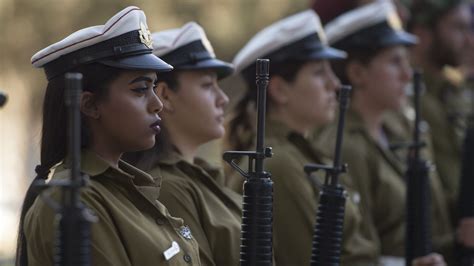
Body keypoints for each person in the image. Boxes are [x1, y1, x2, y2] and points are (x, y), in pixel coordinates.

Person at [15, 7, 201, 266]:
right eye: (140, 90)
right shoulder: (75, 200)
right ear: (90, 105)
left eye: (154, 87)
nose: (157, 104)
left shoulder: (126, 190)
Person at [226, 9, 383, 265]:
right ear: (278, 89)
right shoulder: (279, 165)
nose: (334, 84)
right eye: (320, 73)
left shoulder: (302, 153)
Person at [315, 0, 452, 264]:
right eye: (394, 63)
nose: (407, 75)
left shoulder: (399, 129)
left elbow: (433, 219)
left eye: (406, 62)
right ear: (357, 72)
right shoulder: (345, 148)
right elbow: (359, 252)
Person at [122, 22, 241, 266]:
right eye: (208, 86)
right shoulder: (167, 186)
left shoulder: (200, 176)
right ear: (165, 96)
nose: (223, 99)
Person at [406, 0, 473, 216]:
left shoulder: (454, 90)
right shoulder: (406, 99)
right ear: (422, 34)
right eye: (458, 28)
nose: (469, 40)